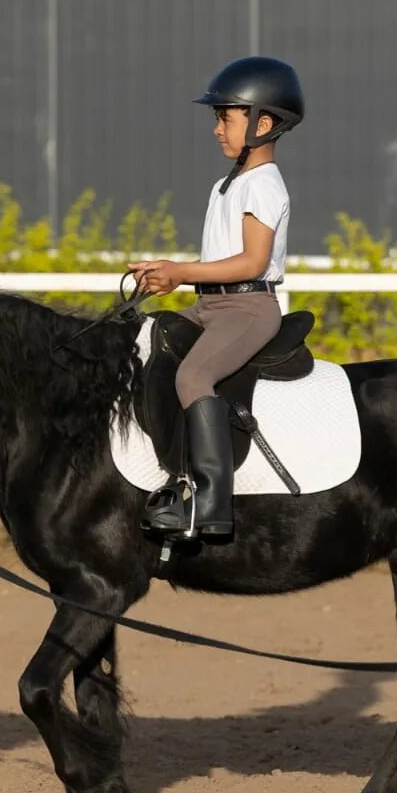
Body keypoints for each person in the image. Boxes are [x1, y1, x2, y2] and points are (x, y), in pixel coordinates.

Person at [129, 56, 303, 539]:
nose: (217, 129)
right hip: (211, 305)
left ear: (263, 123)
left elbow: (251, 263)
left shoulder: (264, 185)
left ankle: (209, 503)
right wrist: (165, 277)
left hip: (247, 309)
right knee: (144, 343)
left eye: (225, 117)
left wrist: (181, 271)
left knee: (196, 373)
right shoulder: (227, 185)